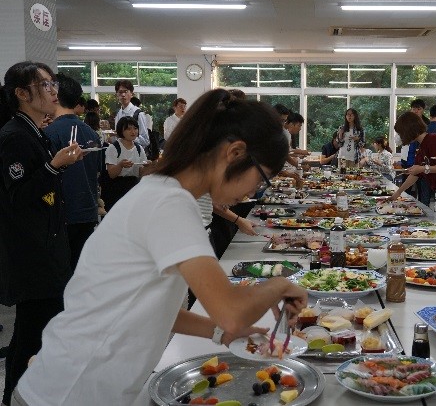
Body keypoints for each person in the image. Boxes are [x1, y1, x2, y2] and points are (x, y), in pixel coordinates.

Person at [15, 90, 308, 406]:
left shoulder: (167, 194)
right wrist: (280, 285)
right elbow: (233, 313)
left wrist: (220, 333)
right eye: (261, 179)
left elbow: (150, 307)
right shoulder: (169, 205)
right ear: (235, 153)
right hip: (66, 393)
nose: (254, 191)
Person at [0, 61, 83, 406]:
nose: (53, 91)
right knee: (36, 334)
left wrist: (55, 165)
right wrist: (54, 165)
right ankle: (21, 397)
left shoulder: (34, 132)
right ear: (22, 94)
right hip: (31, 253)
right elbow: (16, 196)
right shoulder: (14, 136)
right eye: (45, 85)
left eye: (53, 85)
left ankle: (14, 397)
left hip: (46, 247)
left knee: (29, 332)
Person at [43, 74, 101, 272]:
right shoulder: (92, 133)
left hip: (63, 214)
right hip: (88, 211)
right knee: (80, 271)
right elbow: (97, 171)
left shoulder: (50, 134)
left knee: (60, 274)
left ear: (55, 96)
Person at [389, 112, 436, 202]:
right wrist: (397, 193)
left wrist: (423, 168)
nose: (401, 137)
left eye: (401, 133)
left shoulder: (434, 139)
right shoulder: (421, 146)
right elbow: (415, 175)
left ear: (409, 130)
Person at [101, 116, 148, 211]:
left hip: (133, 186)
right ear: (121, 131)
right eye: (128, 129)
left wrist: (148, 167)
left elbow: (141, 173)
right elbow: (111, 174)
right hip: (116, 188)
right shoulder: (113, 148)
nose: (133, 132)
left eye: (135, 128)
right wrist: (120, 165)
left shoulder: (139, 149)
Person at [114, 79, 150, 147]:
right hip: (121, 153)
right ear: (117, 95)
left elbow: (146, 141)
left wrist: (129, 137)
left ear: (131, 94)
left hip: (135, 154)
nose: (123, 95)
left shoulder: (138, 114)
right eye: (120, 92)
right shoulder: (118, 114)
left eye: (126, 91)